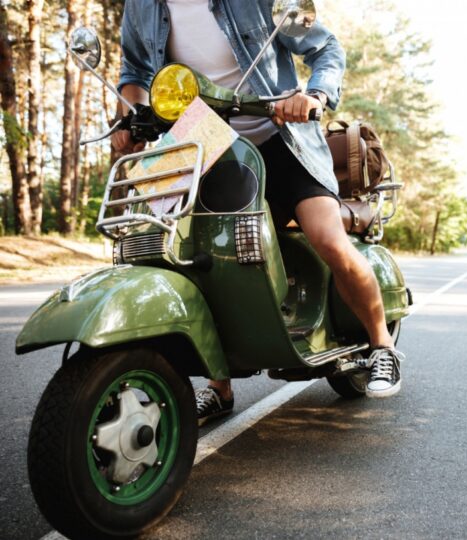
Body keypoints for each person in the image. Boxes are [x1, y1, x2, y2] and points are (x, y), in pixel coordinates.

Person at [113, 0, 405, 423]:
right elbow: (135, 72)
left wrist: (314, 94)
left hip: (281, 134)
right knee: (194, 255)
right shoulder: (140, 6)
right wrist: (129, 117)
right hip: (202, 139)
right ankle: (220, 387)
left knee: (327, 239)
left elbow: (326, 49)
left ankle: (382, 347)